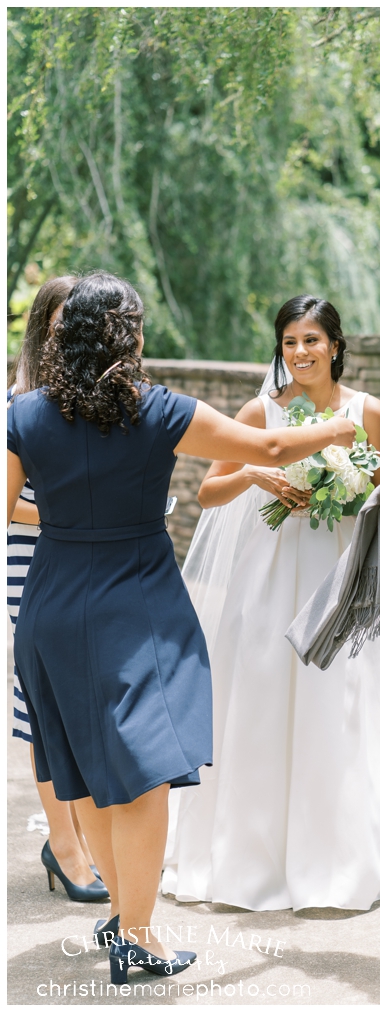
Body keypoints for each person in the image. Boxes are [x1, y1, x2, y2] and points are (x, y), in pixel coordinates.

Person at [7, 271, 363, 982]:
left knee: (91, 771)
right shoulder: (158, 409)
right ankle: (136, 933)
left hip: (51, 605)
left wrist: (73, 525)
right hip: (136, 603)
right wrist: (343, 427)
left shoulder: (23, 416)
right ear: (126, 335)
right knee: (147, 773)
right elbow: (264, 450)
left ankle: (124, 922)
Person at [162, 296, 380, 912]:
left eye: (312, 340)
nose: (300, 352)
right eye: (289, 341)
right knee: (264, 700)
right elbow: (209, 492)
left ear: (336, 345)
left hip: (342, 573)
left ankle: (343, 853)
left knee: (344, 705)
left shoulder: (367, 411)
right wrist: (258, 476)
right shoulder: (260, 409)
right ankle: (253, 854)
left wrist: (344, 490)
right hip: (268, 574)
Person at [8, 274, 109, 907]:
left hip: (93, 563)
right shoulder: (14, 406)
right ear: (45, 327)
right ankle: (64, 844)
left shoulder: (97, 398)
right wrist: (76, 516)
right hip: (31, 562)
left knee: (88, 702)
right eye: (62, 321)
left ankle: (84, 835)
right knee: (42, 707)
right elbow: (9, 504)